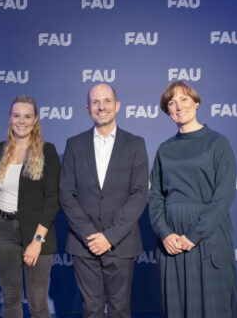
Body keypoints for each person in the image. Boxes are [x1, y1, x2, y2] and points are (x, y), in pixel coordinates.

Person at [149, 80, 237, 317]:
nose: (179, 107)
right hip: (172, 241)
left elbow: (224, 195)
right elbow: (156, 196)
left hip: (207, 236)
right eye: (172, 102)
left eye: (184, 99)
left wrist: (194, 234)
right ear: (167, 111)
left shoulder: (218, 143)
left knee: (213, 307)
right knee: (176, 307)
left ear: (197, 103)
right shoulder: (164, 149)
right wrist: (165, 233)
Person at [59, 83, 148, 318]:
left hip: (121, 243)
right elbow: (66, 195)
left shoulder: (136, 144)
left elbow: (139, 194)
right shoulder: (74, 144)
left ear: (117, 106)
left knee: (120, 309)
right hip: (83, 244)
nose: (101, 107)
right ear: (87, 108)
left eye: (107, 101)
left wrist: (110, 237)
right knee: (92, 309)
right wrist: (91, 236)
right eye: (95, 102)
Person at [0, 95, 60, 318]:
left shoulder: (48, 151)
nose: (21, 121)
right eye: (16, 116)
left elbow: (52, 200)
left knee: (37, 302)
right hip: (3, 231)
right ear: (9, 118)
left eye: (27, 116)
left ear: (35, 120)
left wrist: (37, 241)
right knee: (10, 299)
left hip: (36, 232)